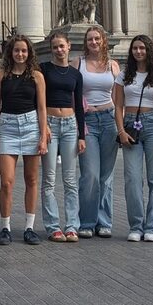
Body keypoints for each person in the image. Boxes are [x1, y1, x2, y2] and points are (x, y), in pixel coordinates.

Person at [0, 34, 48, 245]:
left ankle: (29, 227)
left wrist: (43, 136)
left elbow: (42, 108)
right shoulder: (1, 75)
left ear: (29, 52)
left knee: (31, 180)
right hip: (7, 126)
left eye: (24, 50)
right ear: (10, 52)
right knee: (6, 182)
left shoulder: (37, 76)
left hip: (31, 125)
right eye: (16, 50)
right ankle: (5, 226)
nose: (20, 54)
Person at [113, 34, 153, 242]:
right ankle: (136, 225)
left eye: (142, 48)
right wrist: (120, 131)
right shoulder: (123, 75)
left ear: (149, 51)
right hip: (129, 126)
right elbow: (117, 105)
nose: (138, 52)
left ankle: (151, 226)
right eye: (135, 48)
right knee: (132, 179)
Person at [39, 32, 85, 242]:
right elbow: (37, 100)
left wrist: (81, 135)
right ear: (51, 49)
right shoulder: (44, 69)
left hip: (69, 125)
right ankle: (52, 226)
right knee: (49, 179)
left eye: (62, 46)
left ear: (68, 46)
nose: (59, 50)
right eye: (55, 46)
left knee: (70, 180)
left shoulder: (76, 74)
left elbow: (79, 106)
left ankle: (72, 226)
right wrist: (43, 127)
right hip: (50, 123)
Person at [76, 25, 120, 238]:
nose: (93, 42)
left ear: (104, 41)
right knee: (90, 175)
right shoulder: (78, 64)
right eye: (90, 39)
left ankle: (104, 221)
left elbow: (119, 97)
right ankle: (86, 220)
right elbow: (72, 94)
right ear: (85, 43)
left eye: (97, 39)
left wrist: (122, 125)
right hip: (88, 123)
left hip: (110, 120)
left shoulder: (113, 66)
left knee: (106, 176)